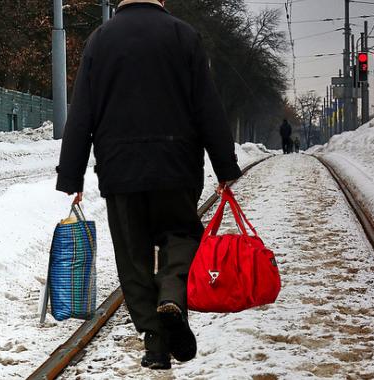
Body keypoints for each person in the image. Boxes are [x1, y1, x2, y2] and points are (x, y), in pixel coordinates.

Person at [55, 0, 241, 370]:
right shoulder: (184, 36)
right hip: (176, 164)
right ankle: (172, 293)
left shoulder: (99, 39)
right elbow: (207, 106)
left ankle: (155, 344)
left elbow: (82, 113)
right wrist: (224, 165)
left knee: (133, 257)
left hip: (120, 170)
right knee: (182, 236)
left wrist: (71, 175)